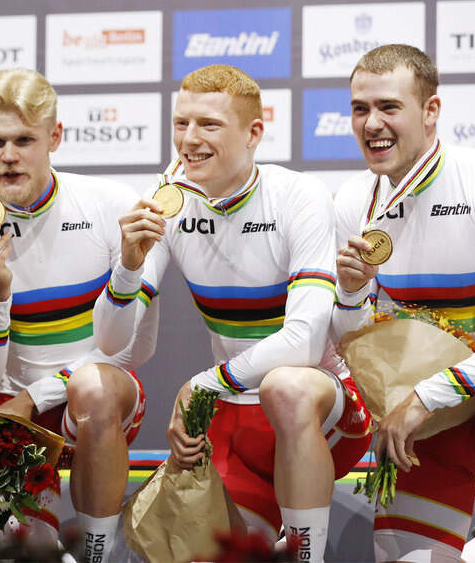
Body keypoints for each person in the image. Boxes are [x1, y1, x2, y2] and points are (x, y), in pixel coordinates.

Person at [93, 64, 371, 563]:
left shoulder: (297, 196)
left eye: (208, 125)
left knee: (285, 385)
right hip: (234, 415)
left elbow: (305, 344)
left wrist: (202, 384)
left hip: (321, 407)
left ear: (254, 133)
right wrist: (128, 266)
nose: (188, 140)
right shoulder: (169, 197)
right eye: (181, 123)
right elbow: (113, 344)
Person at [0, 68, 157, 562]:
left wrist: (36, 395)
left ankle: (100, 554)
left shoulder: (112, 206)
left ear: (55, 136)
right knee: (38, 552)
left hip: (98, 398)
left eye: (24, 140)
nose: (8, 156)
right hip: (9, 406)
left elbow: (128, 349)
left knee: (92, 388)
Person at [331, 44, 475, 562]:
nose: (372, 124)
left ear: (431, 111)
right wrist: (349, 292)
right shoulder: (352, 202)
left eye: (389, 107)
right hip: (426, 433)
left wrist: (431, 395)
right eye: (360, 109)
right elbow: (353, 345)